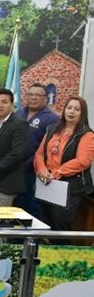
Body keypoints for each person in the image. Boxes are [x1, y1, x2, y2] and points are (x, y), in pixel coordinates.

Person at [35, 96, 94, 233]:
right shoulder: (52, 129)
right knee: (45, 221)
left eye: (77, 109)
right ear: (64, 110)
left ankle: (60, 247)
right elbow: (39, 154)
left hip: (70, 187)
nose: (72, 112)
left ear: (82, 113)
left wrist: (57, 173)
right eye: (69, 108)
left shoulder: (87, 135)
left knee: (60, 223)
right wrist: (42, 170)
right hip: (47, 183)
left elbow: (82, 161)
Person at [14, 83, 59, 218]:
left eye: (38, 95)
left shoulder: (52, 118)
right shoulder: (19, 113)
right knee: (17, 207)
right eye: (30, 94)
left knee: (34, 208)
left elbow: (49, 148)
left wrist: (30, 164)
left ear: (45, 98)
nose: (33, 97)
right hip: (15, 169)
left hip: (35, 172)